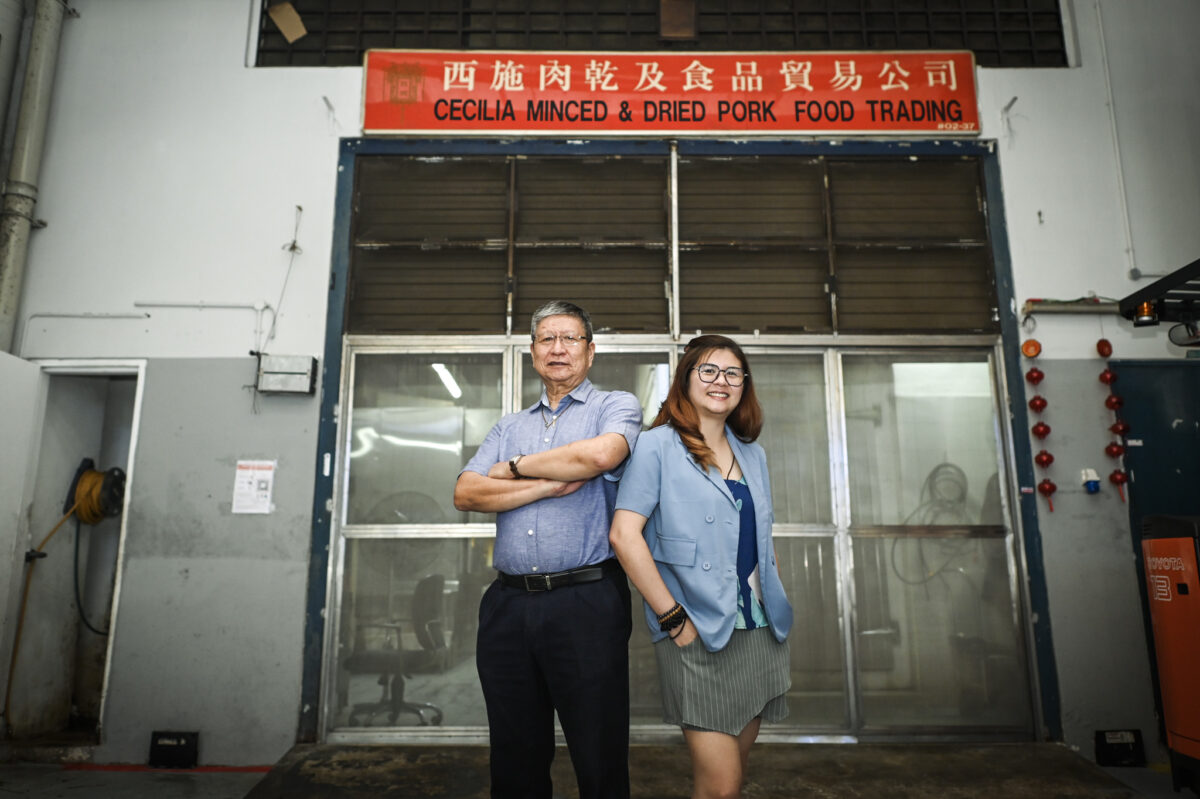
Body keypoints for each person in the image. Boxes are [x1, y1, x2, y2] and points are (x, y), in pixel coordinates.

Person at [453, 300, 643, 799]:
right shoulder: (508, 426)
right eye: (546, 339)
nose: (558, 349)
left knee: (598, 754)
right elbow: (467, 492)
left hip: (586, 601)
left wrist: (512, 470)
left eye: (570, 338)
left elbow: (601, 455)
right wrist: (543, 484)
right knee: (514, 758)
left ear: (590, 350)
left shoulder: (614, 406)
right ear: (532, 351)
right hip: (508, 605)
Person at [609, 334, 792, 799]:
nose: (721, 381)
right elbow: (624, 536)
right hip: (694, 627)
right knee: (721, 786)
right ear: (686, 380)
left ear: (743, 386)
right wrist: (672, 618)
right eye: (707, 370)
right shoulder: (656, 447)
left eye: (733, 373)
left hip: (757, 629)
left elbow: (760, 536)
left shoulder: (753, 453)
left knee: (737, 768)